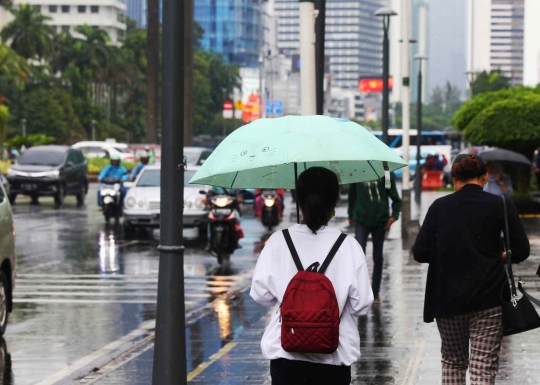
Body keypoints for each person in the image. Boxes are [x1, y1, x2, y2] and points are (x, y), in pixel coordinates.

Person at [412, 155, 530, 385]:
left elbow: (420, 252)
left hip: (447, 299)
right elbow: (521, 250)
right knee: (482, 368)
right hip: (489, 299)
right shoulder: (500, 204)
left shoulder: (440, 207)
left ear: (454, 178)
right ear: (485, 177)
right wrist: (501, 256)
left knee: (453, 361)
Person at [251, 167, 373, 385]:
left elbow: (260, 294)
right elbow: (361, 305)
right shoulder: (348, 246)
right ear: (334, 202)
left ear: (298, 200)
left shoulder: (278, 241)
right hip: (334, 358)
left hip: (285, 356)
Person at [348, 173, 402, 304]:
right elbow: (352, 196)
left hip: (380, 221)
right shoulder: (357, 172)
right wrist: (351, 214)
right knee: (359, 257)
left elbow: (395, 197)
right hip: (361, 220)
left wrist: (394, 216)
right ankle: (360, 291)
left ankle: (375, 291)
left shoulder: (386, 174)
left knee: (378, 257)